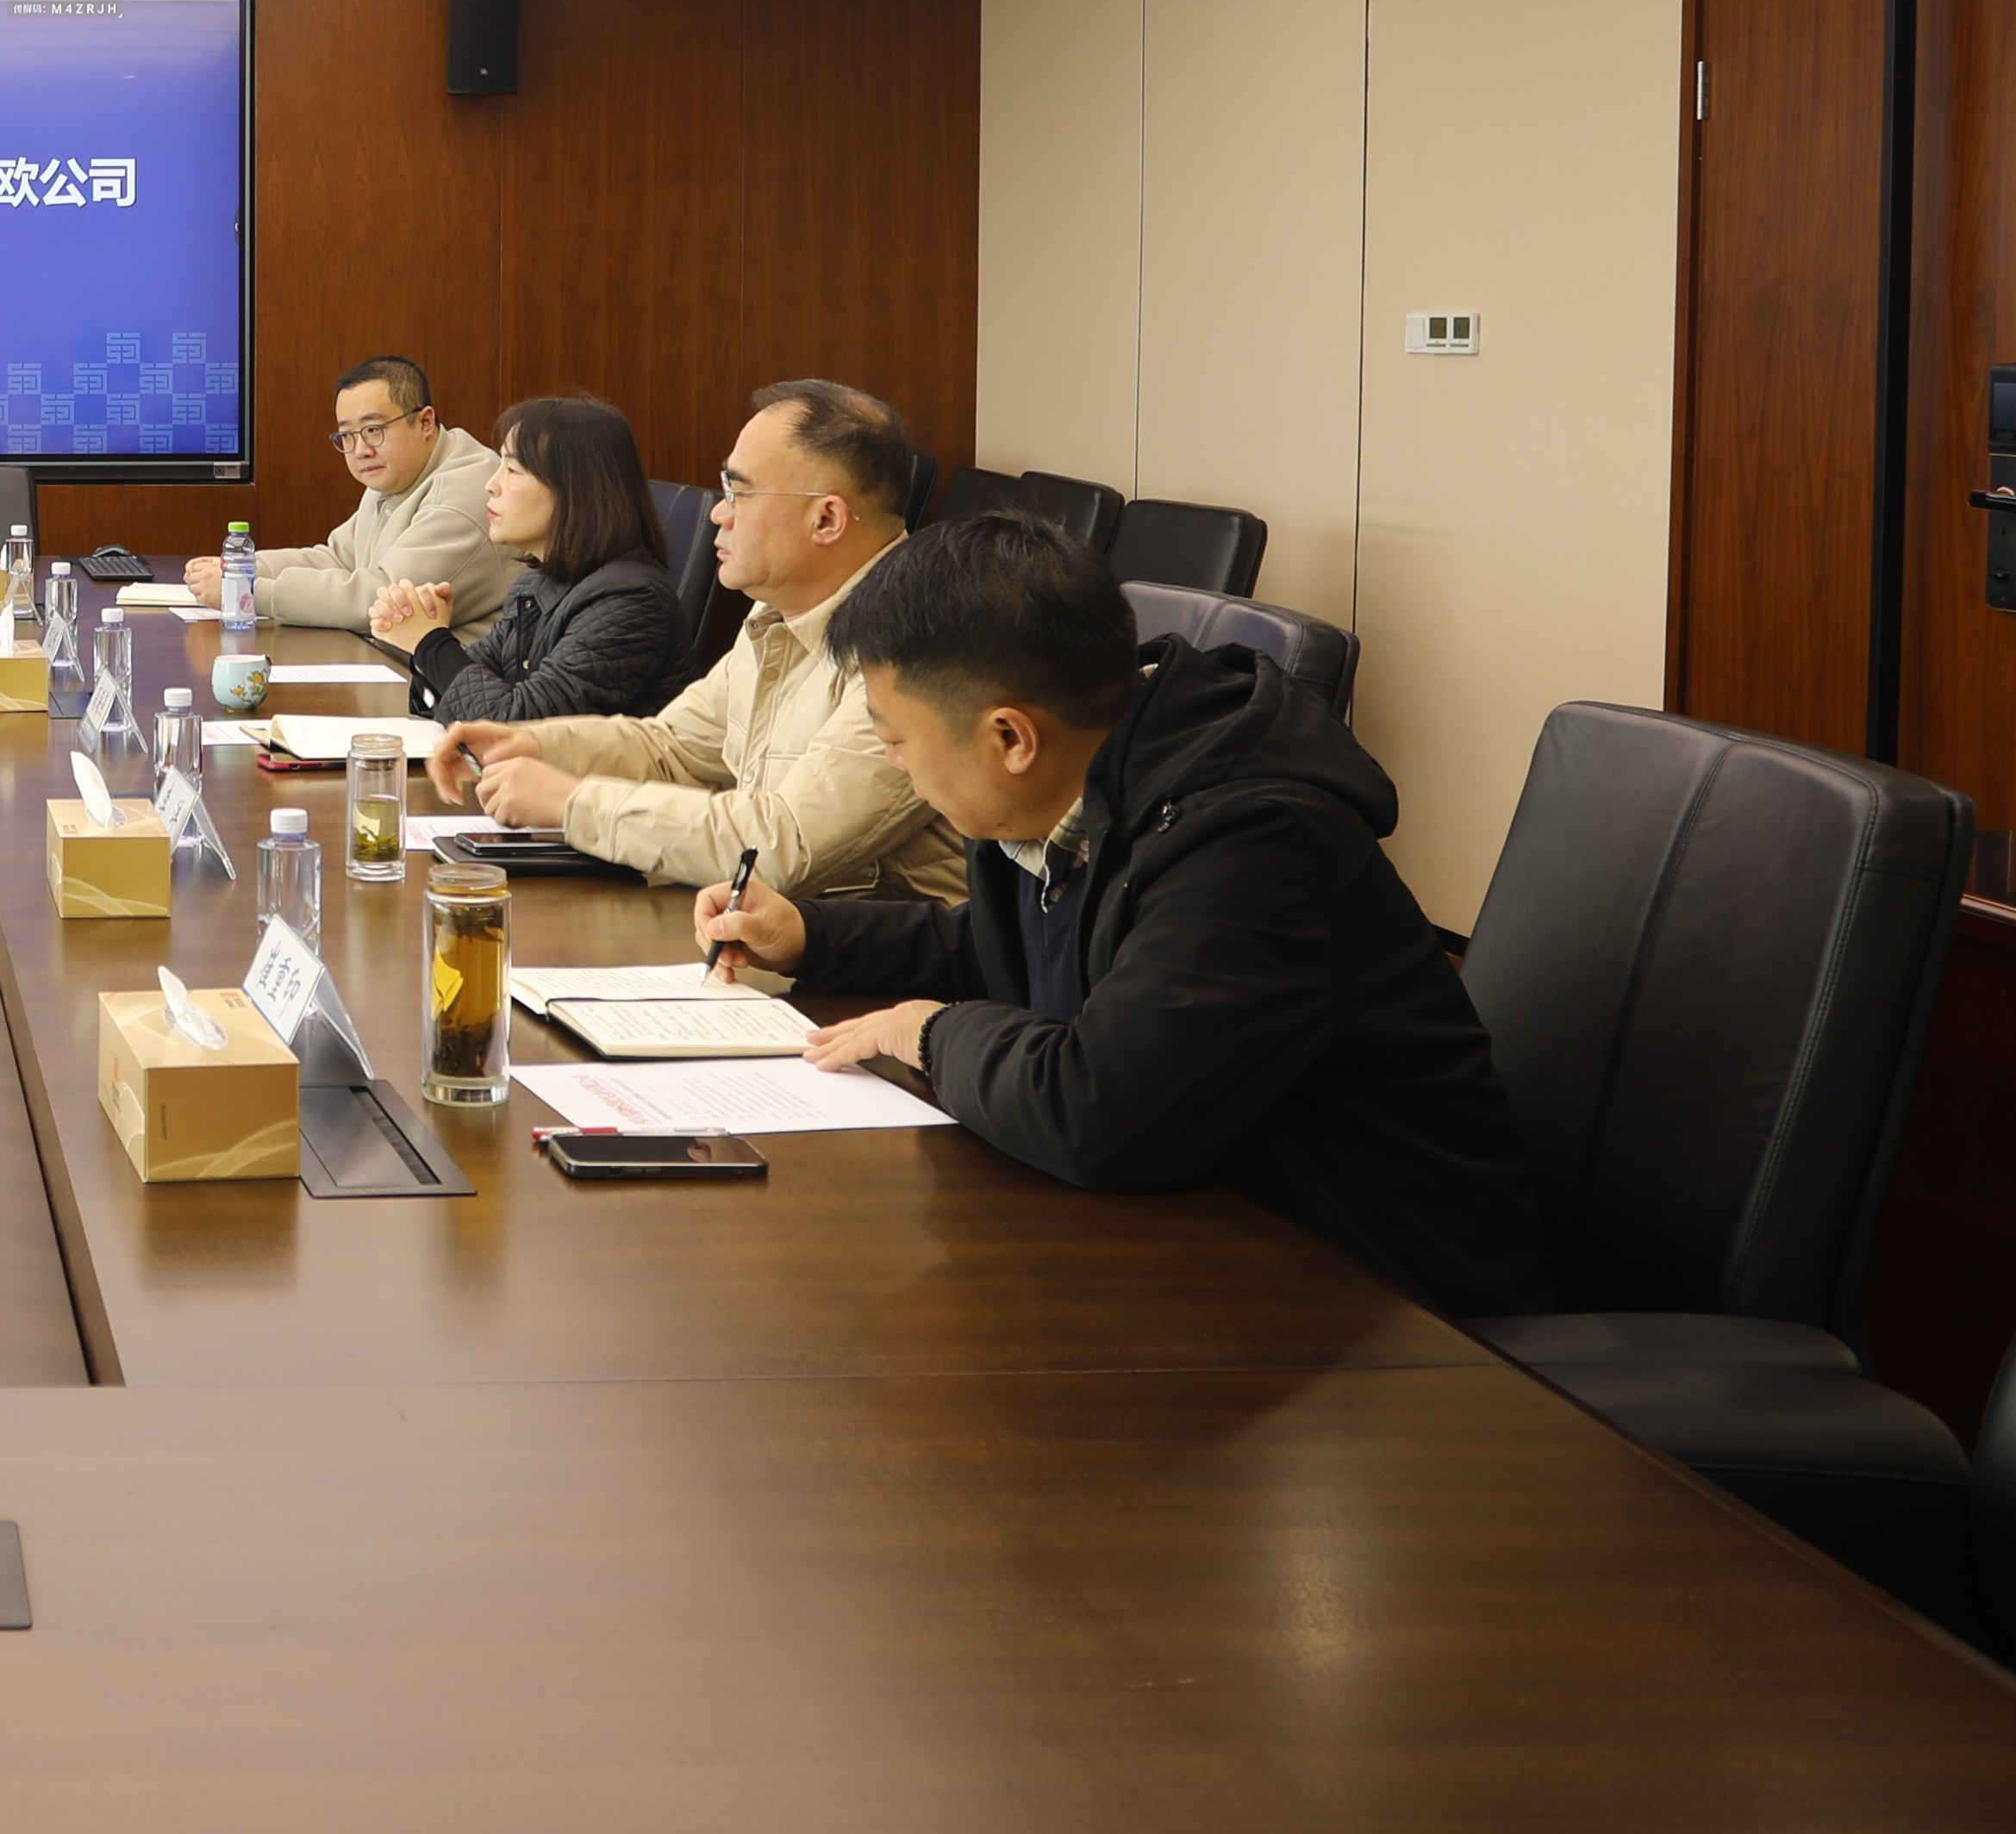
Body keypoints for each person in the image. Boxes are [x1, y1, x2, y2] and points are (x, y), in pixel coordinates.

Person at [690, 511, 1550, 1321]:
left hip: (1389, 1304)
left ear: (1010, 738)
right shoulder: (1079, 776)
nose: (893, 763)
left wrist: (931, 1034)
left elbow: (1098, 1110)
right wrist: (808, 934)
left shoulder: (1249, 839)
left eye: (896, 740)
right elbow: (1011, 950)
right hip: (1210, 1241)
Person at [432, 379, 959, 908]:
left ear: (826, 519)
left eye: (739, 493)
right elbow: (672, 749)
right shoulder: (776, 615)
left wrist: (572, 802)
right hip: (773, 930)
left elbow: (786, 847)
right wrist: (531, 744)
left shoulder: (916, 642)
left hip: (869, 951)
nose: (718, 514)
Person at [370, 395, 688, 725]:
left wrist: (430, 642)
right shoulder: (535, 584)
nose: (491, 485)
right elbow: (446, 700)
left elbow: (518, 726)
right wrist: (426, 635)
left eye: (513, 470)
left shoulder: (629, 604)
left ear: (575, 489)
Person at [248, 357, 514, 633]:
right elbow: (340, 559)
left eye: (373, 430)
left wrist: (253, 593)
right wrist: (247, 568)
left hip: (448, 661)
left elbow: (385, 603)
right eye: (347, 435)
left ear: (425, 422)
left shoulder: (465, 490)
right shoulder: (397, 474)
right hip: (388, 653)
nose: (360, 450)